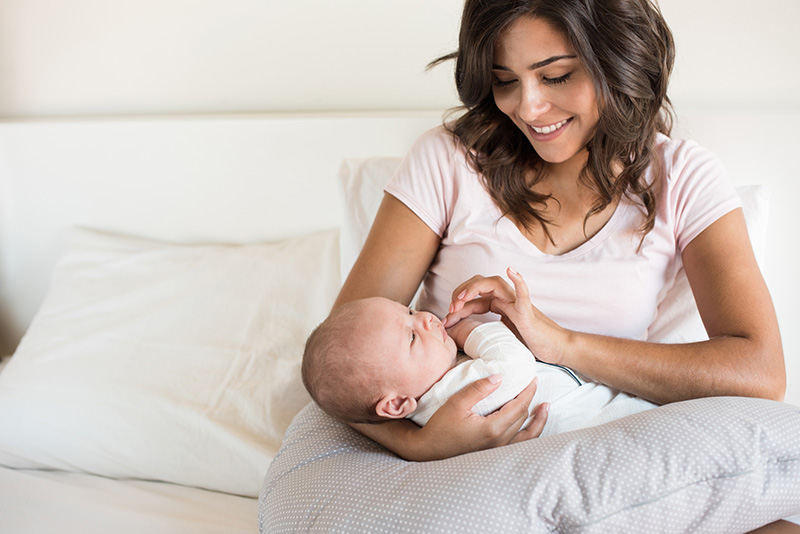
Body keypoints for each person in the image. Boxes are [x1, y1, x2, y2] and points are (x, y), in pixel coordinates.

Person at [332, 0, 785, 466]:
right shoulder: (446, 161)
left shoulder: (683, 177)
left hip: (606, 453)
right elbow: (342, 365)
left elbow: (759, 372)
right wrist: (423, 445)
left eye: (556, 76)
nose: (527, 106)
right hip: (461, 468)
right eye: (504, 80)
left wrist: (559, 342)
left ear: (618, 60)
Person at [303, 270, 656, 435]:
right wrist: (469, 331)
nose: (426, 318)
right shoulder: (446, 398)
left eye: (409, 311)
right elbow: (513, 368)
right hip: (605, 419)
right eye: (411, 336)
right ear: (396, 404)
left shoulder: (436, 383)